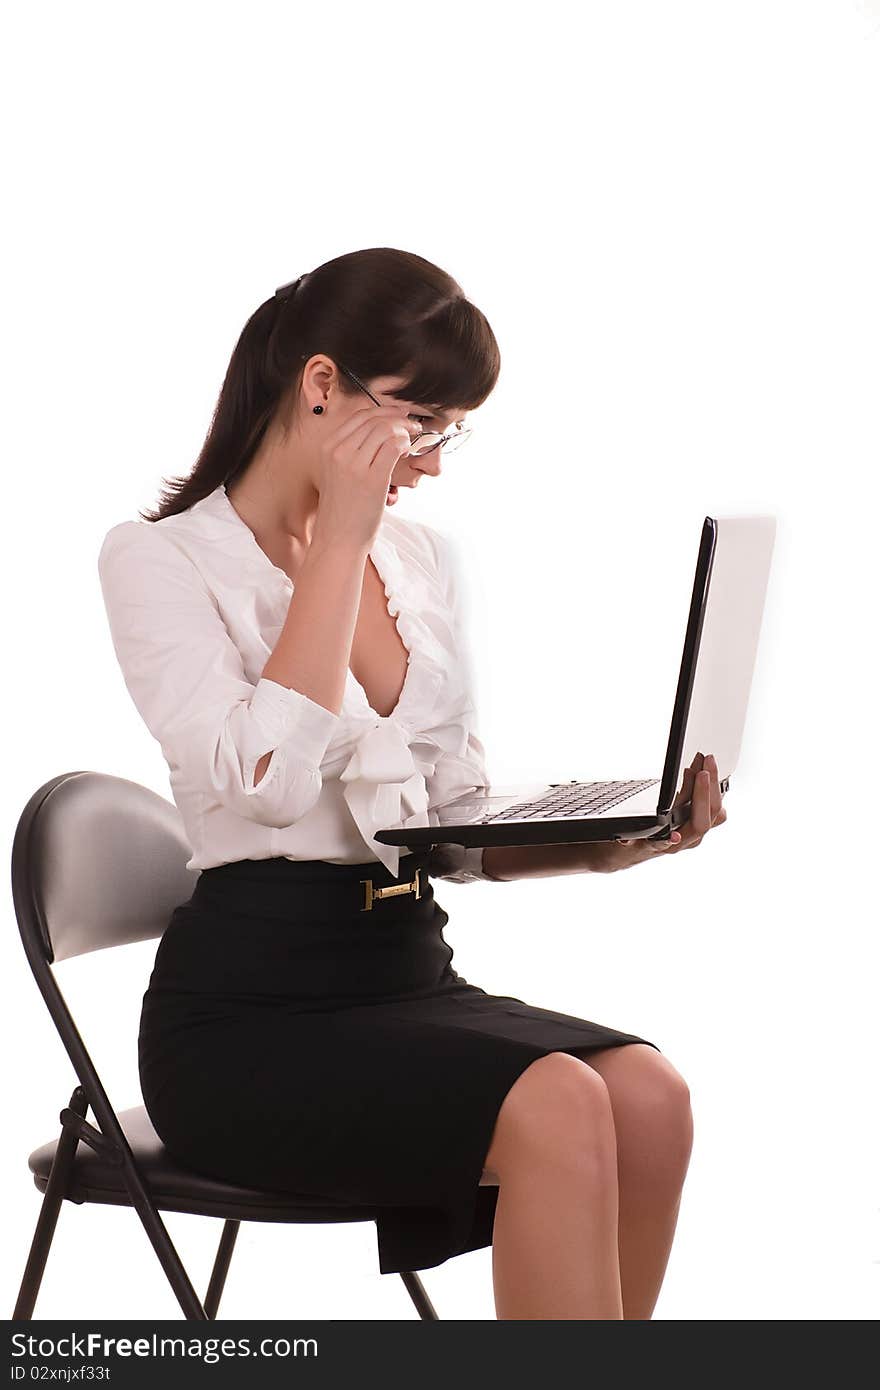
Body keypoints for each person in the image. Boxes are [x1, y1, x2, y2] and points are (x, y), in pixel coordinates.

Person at [98, 246, 726, 1320]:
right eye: (418, 422)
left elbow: (443, 820)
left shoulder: (421, 560)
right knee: (560, 1101)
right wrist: (334, 543)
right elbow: (264, 783)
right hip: (246, 1017)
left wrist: (605, 837)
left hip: (401, 973)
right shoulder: (161, 560)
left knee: (650, 1095)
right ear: (321, 385)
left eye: (451, 429)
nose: (431, 462)